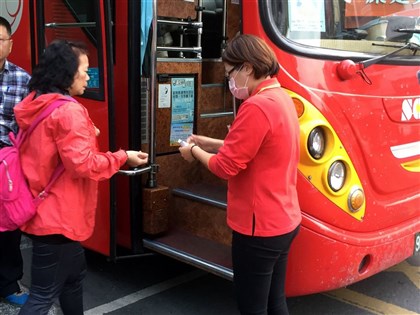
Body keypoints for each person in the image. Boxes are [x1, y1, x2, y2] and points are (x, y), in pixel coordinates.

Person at [14, 40, 148, 315]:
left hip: (46, 212)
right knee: (42, 297)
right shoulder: (69, 111)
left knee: (73, 280)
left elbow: (54, 150)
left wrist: (86, 132)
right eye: (85, 70)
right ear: (66, 73)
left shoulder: (38, 102)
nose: (89, 76)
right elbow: (84, 165)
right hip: (58, 216)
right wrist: (122, 157)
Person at [179, 34, 301, 315]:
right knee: (275, 301)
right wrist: (207, 143)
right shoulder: (280, 98)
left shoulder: (256, 107)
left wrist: (193, 151)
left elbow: (225, 166)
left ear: (247, 67)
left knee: (252, 307)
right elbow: (255, 148)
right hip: (284, 219)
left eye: (230, 73)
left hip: (259, 228)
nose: (229, 81)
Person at [0, 16, 31, 306]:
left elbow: (33, 124)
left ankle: (9, 284)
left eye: (0, 39)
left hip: (9, 163)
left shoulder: (23, 79)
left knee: (10, 227)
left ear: (11, 44)